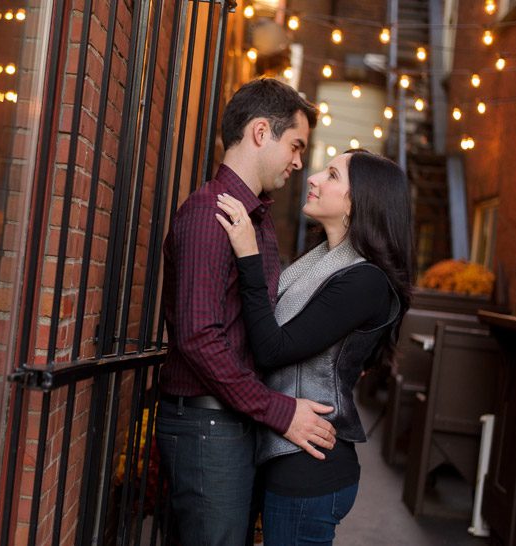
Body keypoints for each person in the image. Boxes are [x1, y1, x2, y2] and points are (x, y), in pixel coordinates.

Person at [155, 78, 336, 546]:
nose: (299, 161)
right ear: (260, 132)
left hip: (228, 423)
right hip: (206, 425)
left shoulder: (252, 218)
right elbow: (198, 338)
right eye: (295, 145)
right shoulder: (207, 212)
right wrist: (279, 411)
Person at [215, 149, 413, 545]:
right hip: (286, 456)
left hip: (308, 469)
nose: (314, 177)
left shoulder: (364, 281)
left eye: (333, 175)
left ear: (359, 203)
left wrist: (248, 256)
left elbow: (273, 348)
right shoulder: (320, 260)